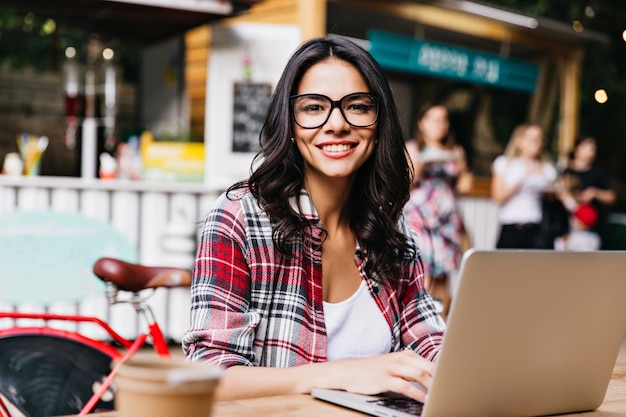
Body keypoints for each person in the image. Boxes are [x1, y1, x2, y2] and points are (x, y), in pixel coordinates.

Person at [182, 37, 445, 404]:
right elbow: (208, 376)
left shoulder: (391, 226)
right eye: (313, 107)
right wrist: (342, 373)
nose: (337, 124)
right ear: (288, 121)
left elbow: (429, 339)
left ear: (379, 121)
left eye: (357, 106)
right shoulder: (239, 219)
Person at [402, 104, 468, 316]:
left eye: (444, 120)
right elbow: (405, 181)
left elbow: (464, 186)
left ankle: (441, 331)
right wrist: (425, 162)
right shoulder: (412, 148)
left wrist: (464, 174)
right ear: (421, 123)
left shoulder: (456, 151)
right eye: (434, 119)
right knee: (422, 274)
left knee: (443, 276)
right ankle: (419, 326)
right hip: (420, 220)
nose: (440, 124)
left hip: (447, 222)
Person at [491, 123, 558, 249]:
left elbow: (552, 197)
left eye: (539, 139)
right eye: (532, 139)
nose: (536, 143)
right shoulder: (504, 164)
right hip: (511, 226)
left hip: (536, 228)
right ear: (519, 141)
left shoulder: (546, 168)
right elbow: (497, 196)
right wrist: (523, 178)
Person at [558, 134, 615, 246]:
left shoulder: (598, 173)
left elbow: (611, 197)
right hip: (568, 231)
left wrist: (595, 193)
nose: (591, 150)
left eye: (593, 147)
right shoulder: (566, 173)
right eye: (587, 146)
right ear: (576, 149)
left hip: (590, 230)